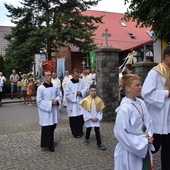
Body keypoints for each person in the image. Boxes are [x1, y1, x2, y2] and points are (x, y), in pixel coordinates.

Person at [114, 74, 154, 170]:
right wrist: (143, 141)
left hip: (144, 146)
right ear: (127, 88)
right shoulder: (124, 109)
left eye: (140, 84)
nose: (140, 87)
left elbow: (149, 121)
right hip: (129, 151)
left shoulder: (141, 102)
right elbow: (120, 134)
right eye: (137, 85)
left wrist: (148, 134)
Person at [141, 46, 170, 170]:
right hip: (158, 118)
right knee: (154, 147)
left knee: (168, 151)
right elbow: (146, 93)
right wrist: (166, 93)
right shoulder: (155, 72)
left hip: (169, 119)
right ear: (166, 57)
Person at [37, 70, 62, 152]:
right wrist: (50, 103)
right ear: (44, 77)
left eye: (50, 75)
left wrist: (57, 100)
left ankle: (50, 141)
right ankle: (49, 144)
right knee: (47, 128)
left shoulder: (55, 86)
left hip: (54, 111)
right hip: (46, 112)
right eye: (47, 75)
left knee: (53, 126)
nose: (49, 77)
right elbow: (39, 101)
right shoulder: (40, 88)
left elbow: (60, 95)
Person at [79, 83, 106, 150]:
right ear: (89, 91)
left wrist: (97, 117)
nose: (93, 92)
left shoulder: (99, 100)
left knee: (97, 130)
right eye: (92, 91)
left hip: (96, 117)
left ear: (96, 91)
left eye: (94, 91)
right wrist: (90, 117)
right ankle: (86, 138)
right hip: (90, 117)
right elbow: (84, 110)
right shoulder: (86, 100)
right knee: (88, 129)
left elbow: (100, 110)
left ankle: (99, 143)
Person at [64, 69, 88, 138]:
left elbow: (86, 89)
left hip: (80, 102)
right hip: (73, 104)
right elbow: (67, 94)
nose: (77, 77)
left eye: (78, 76)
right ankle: (75, 133)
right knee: (73, 119)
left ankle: (80, 131)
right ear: (72, 75)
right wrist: (75, 94)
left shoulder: (82, 82)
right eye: (76, 76)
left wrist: (81, 93)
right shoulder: (68, 83)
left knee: (81, 119)